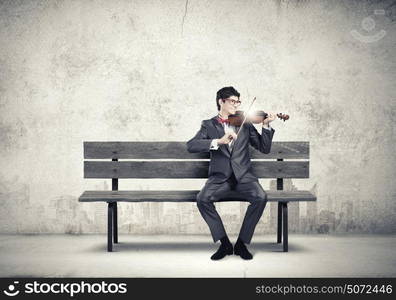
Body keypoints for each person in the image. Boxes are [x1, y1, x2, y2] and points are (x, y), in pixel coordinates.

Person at [186, 86, 276, 260]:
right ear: (221, 101)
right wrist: (218, 141)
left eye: (238, 101)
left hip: (244, 178)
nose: (236, 105)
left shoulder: (245, 123)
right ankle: (225, 244)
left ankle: (242, 244)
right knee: (202, 199)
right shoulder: (209, 125)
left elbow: (264, 148)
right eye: (233, 101)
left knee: (261, 197)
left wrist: (265, 125)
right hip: (220, 179)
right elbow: (191, 145)